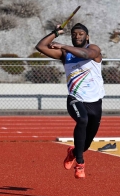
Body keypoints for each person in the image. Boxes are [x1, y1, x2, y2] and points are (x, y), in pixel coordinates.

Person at [35, 23, 105, 179]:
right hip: (75, 98)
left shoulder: (94, 50)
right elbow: (40, 46)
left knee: (84, 145)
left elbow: (86, 55)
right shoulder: (65, 54)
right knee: (82, 120)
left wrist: (63, 45)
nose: (77, 36)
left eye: (81, 34)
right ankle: (80, 164)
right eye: (74, 34)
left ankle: (73, 153)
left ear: (87, 36)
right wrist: (55, 33)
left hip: (95, 103)